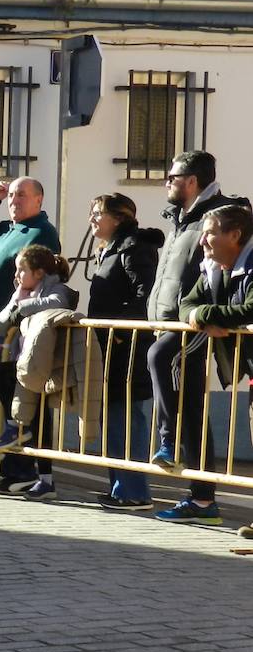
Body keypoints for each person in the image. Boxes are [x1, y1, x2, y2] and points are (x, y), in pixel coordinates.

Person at [147, 151, 250, 525]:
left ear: (191, 180)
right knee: (189, 404)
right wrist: (189, 312)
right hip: (178, 321)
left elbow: (208, 284)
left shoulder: (224, 215)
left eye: (171, 177)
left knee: (166, 366)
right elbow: (189, 287)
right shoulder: (181, 218)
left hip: (196, 327)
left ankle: (170, 444)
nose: (166, 183)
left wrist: (196, 315)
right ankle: (202, 500)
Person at [0, 176, 61, 491]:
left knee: (24, 394)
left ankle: (25, 470)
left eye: (22, 196)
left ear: (38, 201)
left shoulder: (42, 233)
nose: (14, 201)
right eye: (11, 196)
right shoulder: (8, 230)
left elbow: (40, 280)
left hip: (19, 329)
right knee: (7, 397)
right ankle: (11, 465)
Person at [175, 206, 253, 536]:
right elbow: (185, 306)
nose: (204, 239)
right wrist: (204, 316)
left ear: (234, 235)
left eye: (211, 232)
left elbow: (250, 308)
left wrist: (210, 315)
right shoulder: (213, 266)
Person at [87, 194, 163, 511]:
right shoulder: (111, 249)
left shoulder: (134, 248)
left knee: (127, 418)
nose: (91, 219)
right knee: (114, 419)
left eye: (97, 213)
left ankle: (135, 492)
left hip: (127, 349)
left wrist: (118, 333)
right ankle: (120, 487)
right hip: (112, 348)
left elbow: (144, 296)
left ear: (117, 218)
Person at [0, 247, 80, 501]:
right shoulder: (24, 290)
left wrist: (24, 305)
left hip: (46, 367)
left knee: (42, 422)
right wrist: (15, 299)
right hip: (25, 364)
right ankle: (16, 428)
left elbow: (57, 303)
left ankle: (46, 479)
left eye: (22, 270)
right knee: (2, 376)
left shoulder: (56, 288)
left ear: (39, 273)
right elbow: (0, 324)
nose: (17, 275)